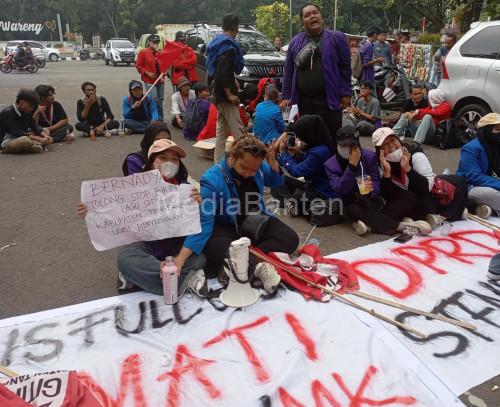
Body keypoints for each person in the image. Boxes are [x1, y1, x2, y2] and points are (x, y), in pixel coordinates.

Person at [79, 139, 207, 296]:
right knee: (125, 259)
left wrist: (197, 204)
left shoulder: (185, 188)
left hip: (175, 246)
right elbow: (114, 209)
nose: (170, 163)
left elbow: (196, 225)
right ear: (152, 162)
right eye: (163, 158)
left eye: (174, 159)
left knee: (200, 258)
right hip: (147, 245)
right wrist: (92, 210)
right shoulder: (135, 188)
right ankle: (171, 276)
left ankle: (139, 278)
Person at [177, 136, 299, 294]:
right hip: (224, 229)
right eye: (244, 167)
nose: (249, 173)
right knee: (218, 248)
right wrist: (180, 258)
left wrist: (272, 162)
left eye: (254, 170)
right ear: (232, 156)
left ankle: (245, 262)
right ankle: (253, 263)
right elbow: (205, 223)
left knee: (290, 239)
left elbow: (275, 182)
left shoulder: (256, 163)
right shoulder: (211, 179)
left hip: (253, 220)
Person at [325, 125, 427, 236]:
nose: (347, 149)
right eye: (343, 145)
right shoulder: (330, 165)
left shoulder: (369, 156)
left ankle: (367, 222)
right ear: (337, 145)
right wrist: (351, 167)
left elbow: (377, 181)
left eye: (351, 145)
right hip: (352, 203)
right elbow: (341, 190)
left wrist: (371, 190)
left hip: (373, 200)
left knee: (409, 196)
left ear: (358, 144)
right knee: (353, 209)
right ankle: (399, 226)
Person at [281, 3, 351, 146]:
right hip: (304, 101)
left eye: (315, 13)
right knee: (308, 138)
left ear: (321, 17)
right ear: (302, 22)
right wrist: (286, 96)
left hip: (329, 99)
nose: (312, 16)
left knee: (332, 137)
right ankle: (311, 166)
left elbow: (345, 67)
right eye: (307, 15)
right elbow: (288, 70)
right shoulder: (295, 42)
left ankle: (332, 167)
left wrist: (345, 92)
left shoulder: (337, 38)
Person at [373, 127, 467, 229]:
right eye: (385, 144)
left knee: (459, 182)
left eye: (393, 140)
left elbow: (427, 188)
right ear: (380, 150)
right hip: (408, 200)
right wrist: (386, 173)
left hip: (424, 195)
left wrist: (408, 169)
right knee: (408, 197)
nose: (391, 145)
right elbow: (388, 196)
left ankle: (445, 215)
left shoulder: (415, 155)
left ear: (398, 139)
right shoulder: (380, 164)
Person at [272, 115, 342, 226]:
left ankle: (294, 202)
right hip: (312, 186)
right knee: (277, 182)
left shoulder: (320, 151)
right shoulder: (316, 145)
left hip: (323, 192)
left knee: (300, 196)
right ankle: (294, 203)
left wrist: (283, 154)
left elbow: (297, 171)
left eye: (300, 136)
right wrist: (294, 154)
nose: (299, 139)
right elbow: (303, 162)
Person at [206, 14, 246, 163]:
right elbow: (223, 72)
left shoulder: (216, 43)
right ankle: (246, 164)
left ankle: (218, 164)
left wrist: (233, 80)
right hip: (224, 95)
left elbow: (219, 70)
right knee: (238, 131)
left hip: (216, 92)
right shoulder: (228, 47)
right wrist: (229, 94)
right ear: (236, 28)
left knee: (221, 132)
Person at [456, 112, 500, 218]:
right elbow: (474, 176)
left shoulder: (497, 146)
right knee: (491, 194)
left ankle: (489, 210)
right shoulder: (471, 148)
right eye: (497, 130)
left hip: (495, 183)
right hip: (472, 186)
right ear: (486, 131)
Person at [0, 89, 52, 154]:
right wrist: (39, 139)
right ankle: (32, 144)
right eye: (30, 106)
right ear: (22, 103)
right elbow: (17, 132)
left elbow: (34, 126)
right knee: (25, 140)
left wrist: (45, 136)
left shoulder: (27, 112)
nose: (32, 108)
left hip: (25, 135)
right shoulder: (7, 113)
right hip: (9, 140)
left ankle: (32, 145)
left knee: (45, 130)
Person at [136, 34, 166, 121]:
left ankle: (160, 119)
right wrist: (147, 73)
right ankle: (154, 118)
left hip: (160, 81)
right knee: (154, 100)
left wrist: (163, 75)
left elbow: (163, 67)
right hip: (149, 81)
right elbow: (138, 66)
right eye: (154, 42)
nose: (156, 44)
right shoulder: (143, 53)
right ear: (149, 42)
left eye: (157, 42)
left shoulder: (159, 53)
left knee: (160, 101)